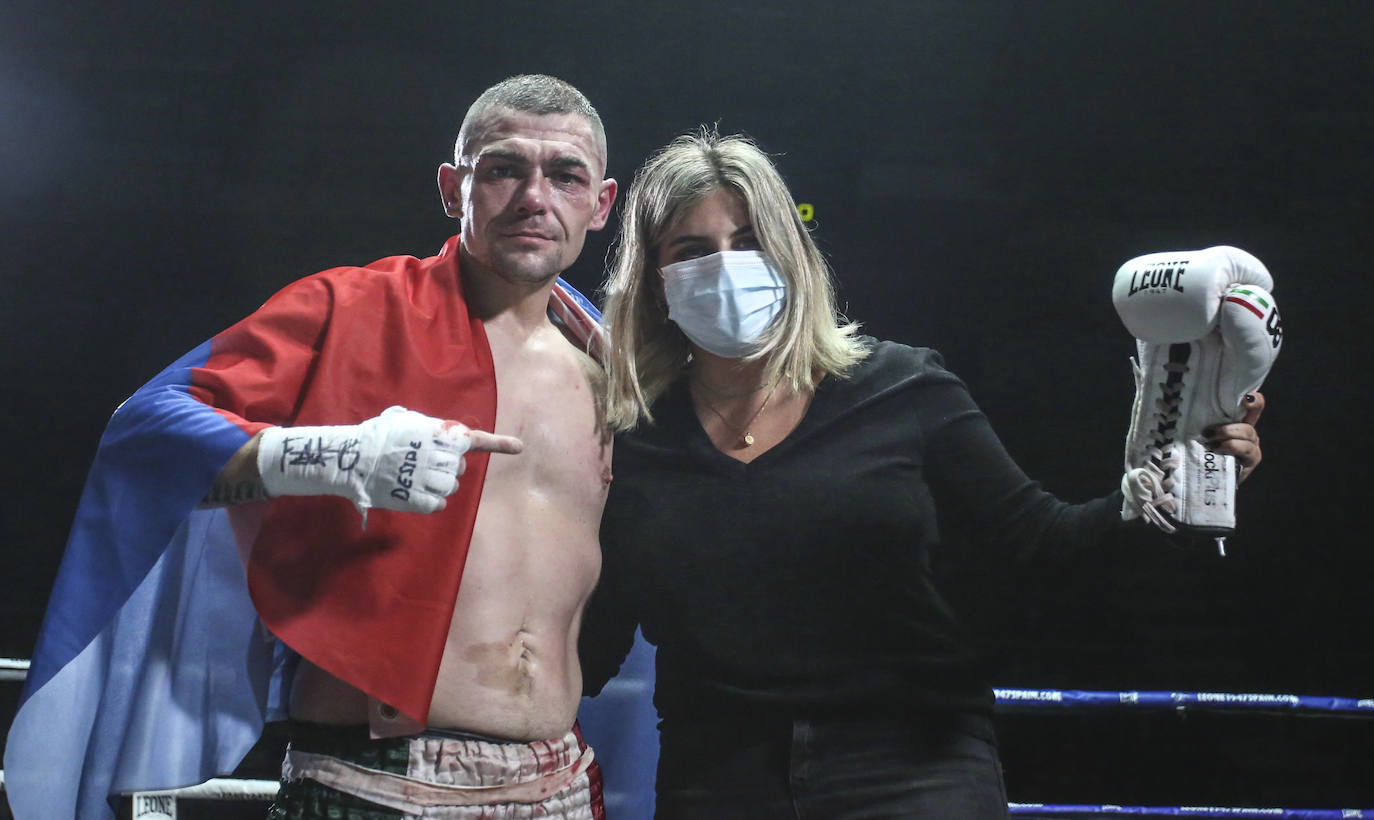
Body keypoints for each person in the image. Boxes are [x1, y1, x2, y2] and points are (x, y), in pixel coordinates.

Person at [579, 129, 1264, 818]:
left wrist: (1171, 482)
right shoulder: (632, 438)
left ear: (793, 255)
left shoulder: (902, 386)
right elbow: (590, 638)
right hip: (718, 778)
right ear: (655, 282)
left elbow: (1043, 544)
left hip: (914, 768)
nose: (725, 267)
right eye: (692, 252)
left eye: (750, 240)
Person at [6, 74, 617, 820]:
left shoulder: (611, 370)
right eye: (503, 169)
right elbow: (146, 432)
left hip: (557, 781)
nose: (533, 196)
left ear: (600, 203)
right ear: (454, 189)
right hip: (374, 779)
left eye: (564, 175)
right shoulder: (353, 309)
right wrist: (336, 457)